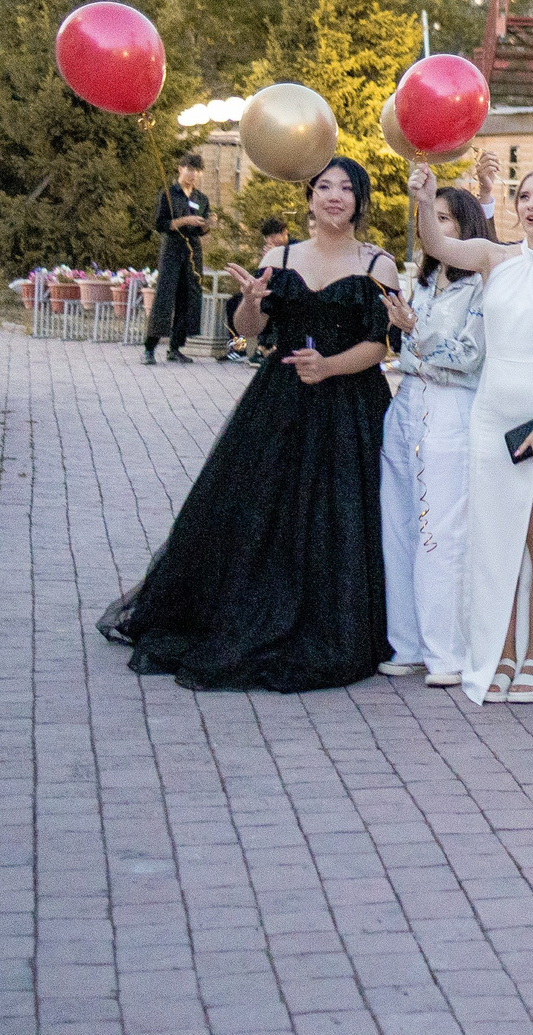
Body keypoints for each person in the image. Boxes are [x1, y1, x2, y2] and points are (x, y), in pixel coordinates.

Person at [101, 157, 398, 690]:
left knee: (340, 515)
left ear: (360, 199)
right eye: (324, 187)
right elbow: (246, 333)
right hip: (281, 399)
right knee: (263, 508)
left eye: (346, 189)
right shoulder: (279, 256)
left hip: (350, 404)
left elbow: (380, 346)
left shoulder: (380, 265)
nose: (334, 196)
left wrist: (329, 366)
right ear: (309, 197)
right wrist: (251, 304)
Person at [412, 161, 533, 706]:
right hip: (490, 411)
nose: (532, 204)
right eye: (525, 195)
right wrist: (424, 200)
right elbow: (439, 245)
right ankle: (499, 651)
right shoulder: (495, 258)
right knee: (496, 539)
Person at [376, 184, 492, 686]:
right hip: (406, 400)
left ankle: (446, 652)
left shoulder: (483, 285)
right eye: (431, 218)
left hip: (451, 409)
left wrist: (414, 330)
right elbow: (410, 350)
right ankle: (406, 643)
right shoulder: (420, 282)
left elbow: (467, 356)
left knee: (439, 530)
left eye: (445, 219)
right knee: (399, 525)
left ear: (467, 229)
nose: (436, 229)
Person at [144, 152, 211, 364]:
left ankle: (176, 347)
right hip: (172, 249)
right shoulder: (168, 194)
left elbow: (201, 229)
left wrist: (208, 224)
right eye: (189, 170)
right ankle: (150, 347)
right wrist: (184, 220)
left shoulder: (201, 198)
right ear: (180, 168)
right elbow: (161, 224)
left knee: (188, 297)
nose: (193, 175)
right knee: (165, 296)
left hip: (192, 250)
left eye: (196, 171)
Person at [225, 218, 292, 364]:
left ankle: (265, 348)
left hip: (284, 294)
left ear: (284, 233)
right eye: (266, 237)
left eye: (273, 236)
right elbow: (260, 276)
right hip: (265, 290)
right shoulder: (268, 251)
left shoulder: (294, 248)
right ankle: (238, 348)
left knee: (268, 305)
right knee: (232, 303)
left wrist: (278, 255)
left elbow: (294, 275)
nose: (269, 240)